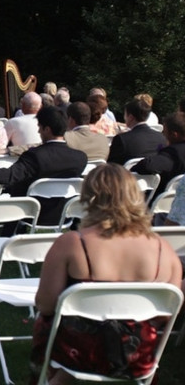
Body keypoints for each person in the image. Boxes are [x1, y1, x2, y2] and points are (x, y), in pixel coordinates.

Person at [29, 163, 182, 384]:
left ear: (89, 198)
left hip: (77, 352)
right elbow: (165, 315)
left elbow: (45, 305)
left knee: (47, 322)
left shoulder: (72, 243)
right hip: (137, 354)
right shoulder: (164, 251)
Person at [0, 106, 87, 231]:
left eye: (40, 127)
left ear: (47, 129)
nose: (38, 131)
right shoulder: (80, 159)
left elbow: (9, 176)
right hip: (63, 215)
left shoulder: (35, 156)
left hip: (29, 212)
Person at [132, 112, 185, 200]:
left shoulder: (173, 153)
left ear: (174, 135)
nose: (163, 134)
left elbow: (148, 165)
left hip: (162, 203)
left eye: (164, 131)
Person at [108, 98, 165, 165]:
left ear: (130, 117)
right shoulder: (161, 138)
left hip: (126, 174)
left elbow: (111, 166)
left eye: (125, 114)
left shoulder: (122, 139)